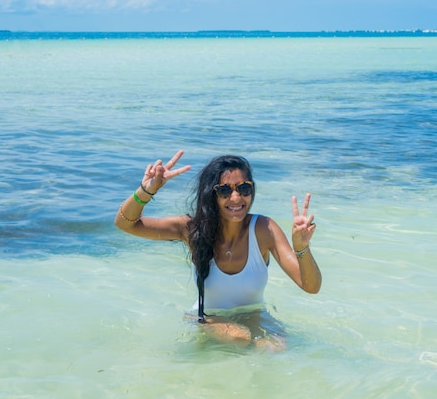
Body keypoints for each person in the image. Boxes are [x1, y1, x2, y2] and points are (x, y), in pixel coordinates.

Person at [114, 150, 322, 349]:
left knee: (275, 348)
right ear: (211, 195)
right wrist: (147, 190)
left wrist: (302, 248)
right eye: (224, 190)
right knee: (239, 338)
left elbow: (310, 286)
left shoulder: (263, 229)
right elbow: (126, 224)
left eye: (244, 188)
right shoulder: (191, 229)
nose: (235, 198)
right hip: (207, 317)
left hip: (253, 315)